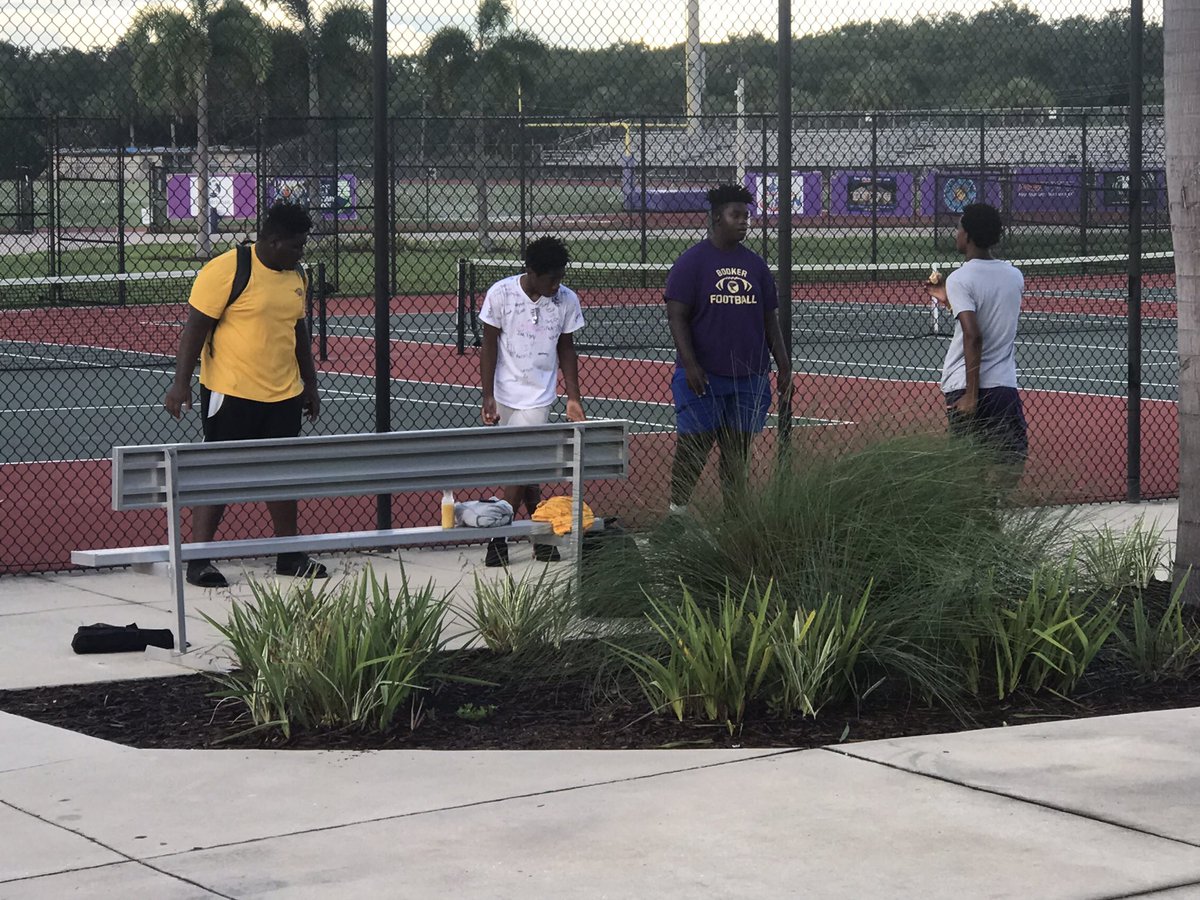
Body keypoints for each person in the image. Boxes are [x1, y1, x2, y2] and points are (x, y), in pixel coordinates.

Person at [164, 201, 327, 588]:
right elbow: (195, 329)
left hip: (283, 394)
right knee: (221, 473)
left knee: (282, 475)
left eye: (303, 246)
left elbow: (298, 331)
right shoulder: (226, 270)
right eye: (295, 246)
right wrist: (181, 382)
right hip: (231, 391)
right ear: (272, 241)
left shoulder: (296, 275)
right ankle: (200, 559)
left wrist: (310, 384)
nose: (300, 253)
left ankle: (289, 553)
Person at [665, 183, 792, 511]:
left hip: (749, 377)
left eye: (746, 216)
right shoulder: (692, 262)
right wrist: (690, 364)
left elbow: (769, 318)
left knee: (737, 453)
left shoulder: (756, 266)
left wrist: (784, 364)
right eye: (736, 215)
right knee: (694, 448)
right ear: (716, 218)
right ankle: (677, 514)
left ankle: (735, 516)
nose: (743, 221)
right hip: (705, 376)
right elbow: (677, 315)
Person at [479, 235, 586, 568]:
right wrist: (488, 396)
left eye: (561, 277)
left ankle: (498, 537)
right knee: (524, 468)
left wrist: (572, 396)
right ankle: (541, 536)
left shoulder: (566, 300)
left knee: (522, 464)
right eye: (551, 278)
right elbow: (489, 346)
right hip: (505, 392)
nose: (557, 284)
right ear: (531, 272)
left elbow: (566, 348)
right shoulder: (501, 294)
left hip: (538, 395)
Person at [924, 202, 1028, 472]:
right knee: (1010, 461)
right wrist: (949, 301)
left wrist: (971, 395)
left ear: (968, 235)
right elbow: (987, 313)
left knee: (966, 468)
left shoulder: (960, 278)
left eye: (958, 228)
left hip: (965, 385)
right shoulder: (1014, 276)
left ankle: (974, 509)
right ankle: (989, 506)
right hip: (1003, 386)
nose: (956, 233)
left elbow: (973, 335)